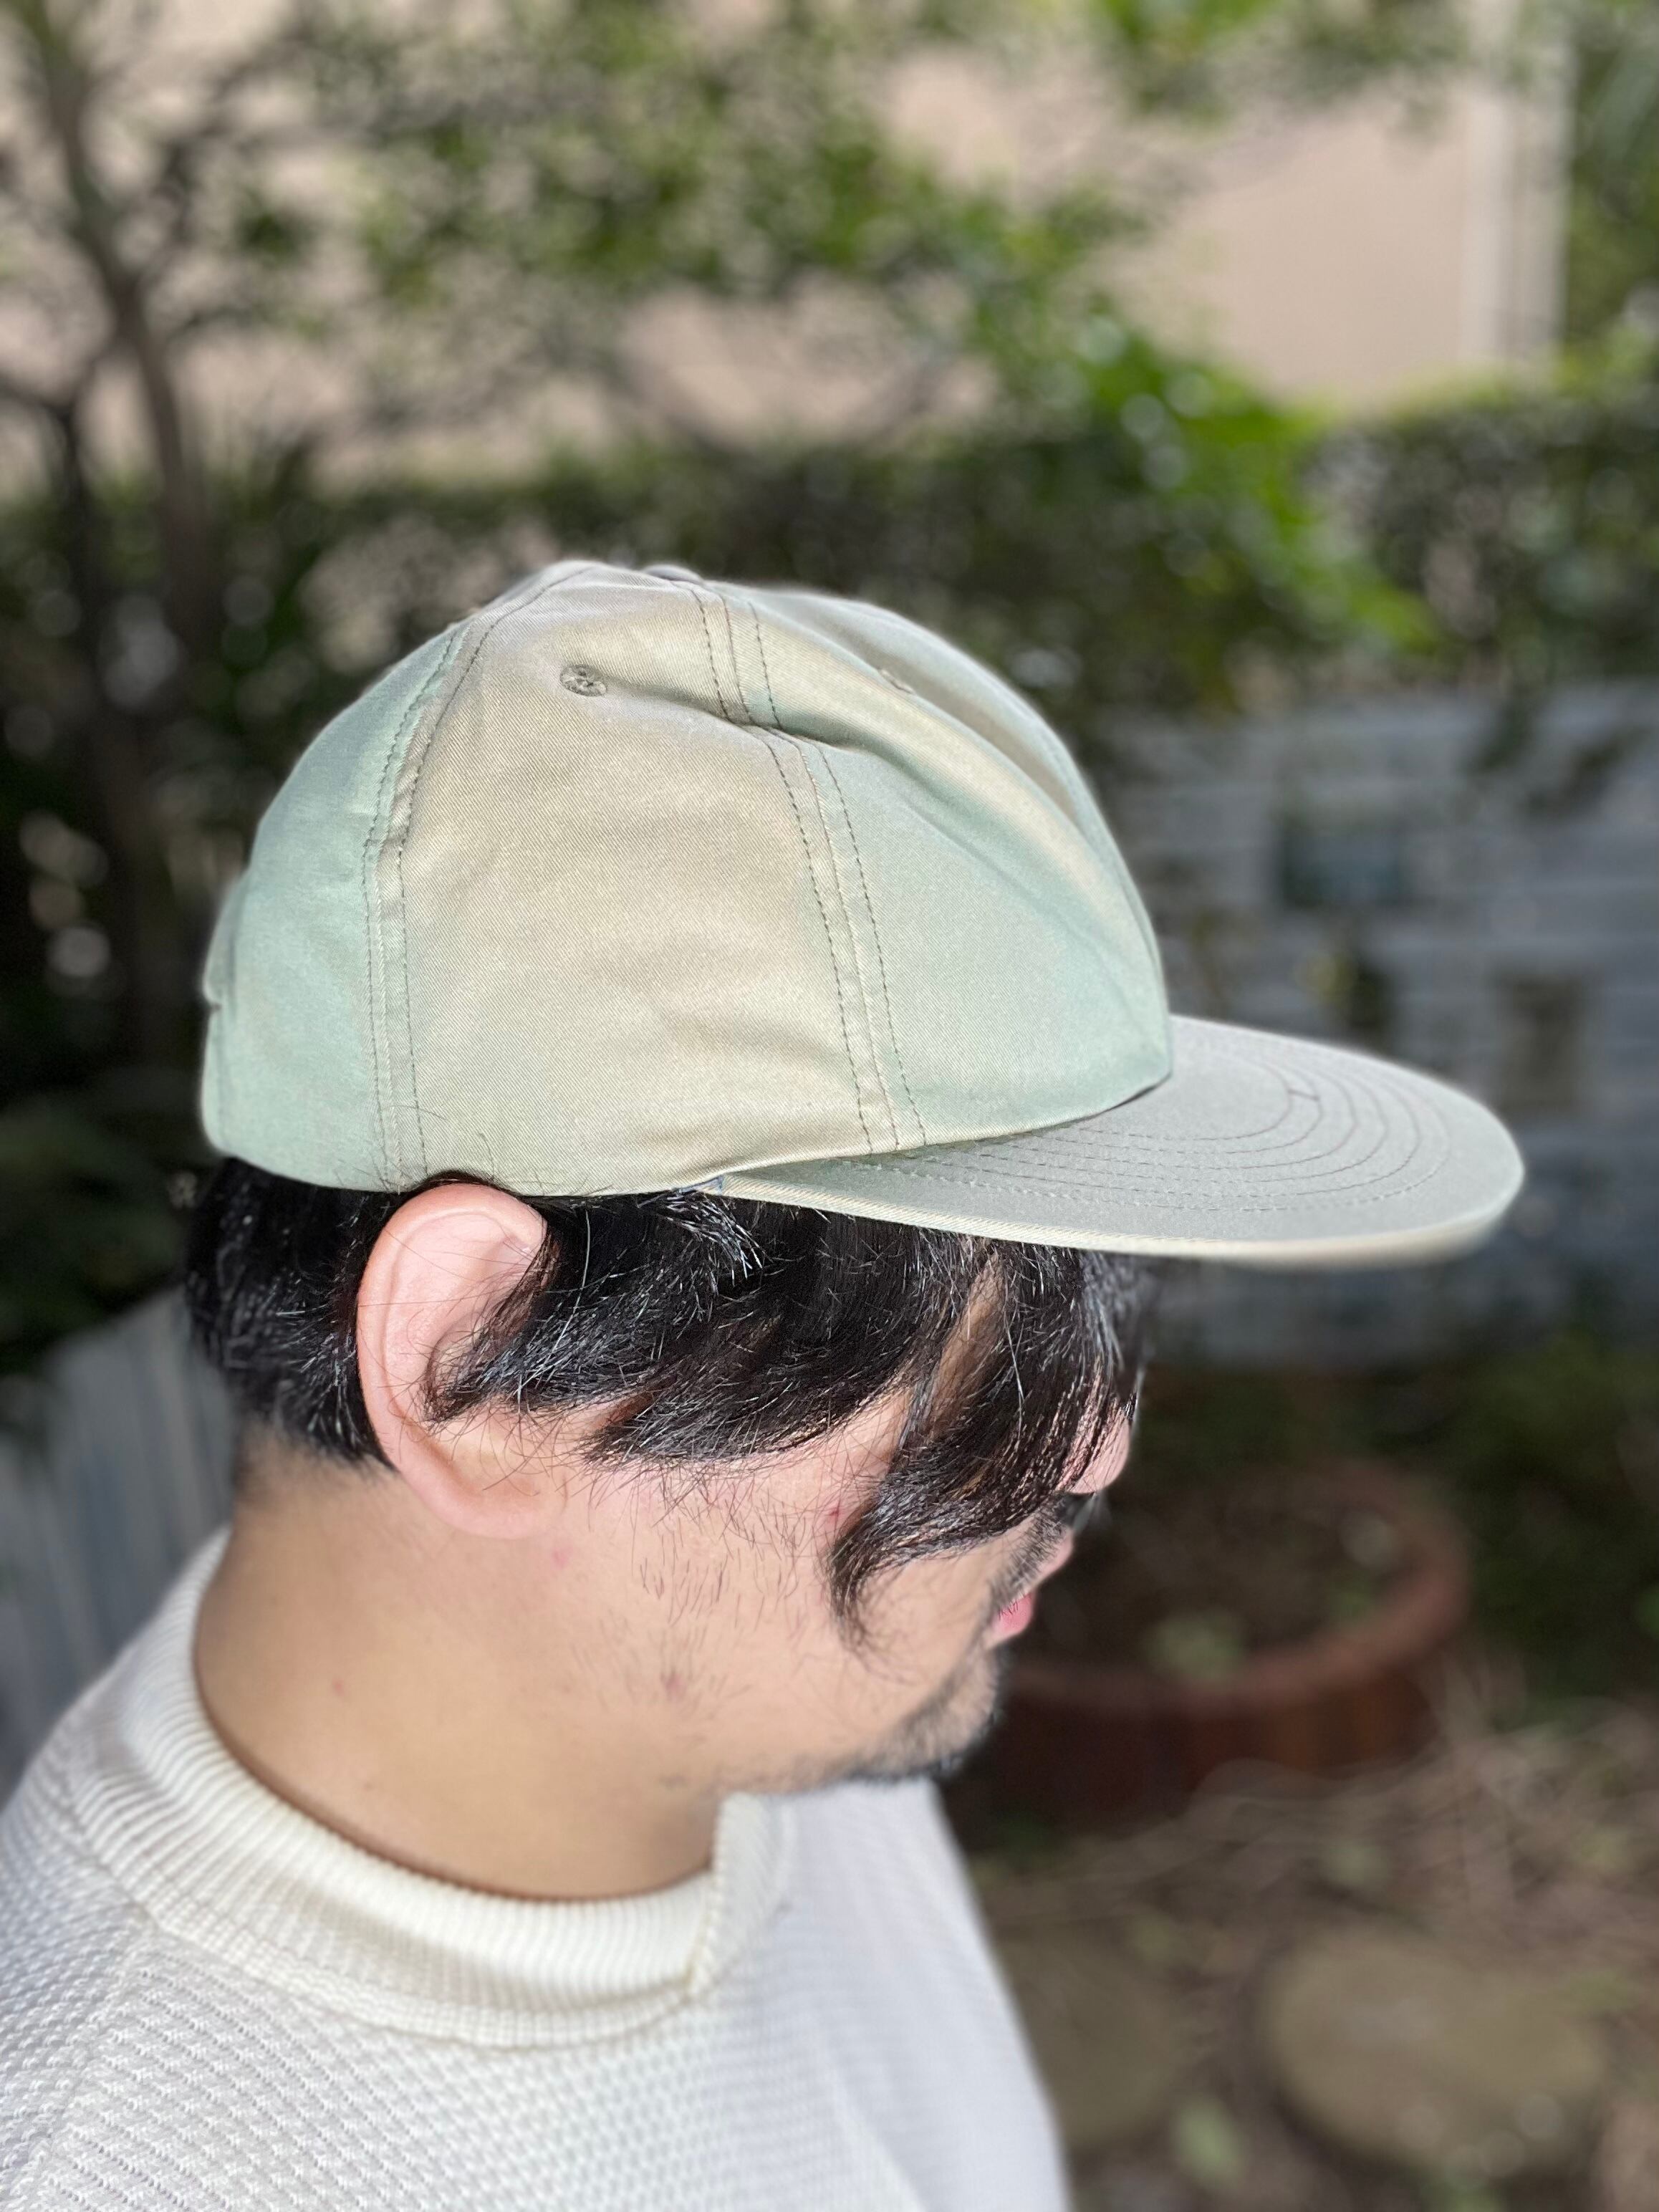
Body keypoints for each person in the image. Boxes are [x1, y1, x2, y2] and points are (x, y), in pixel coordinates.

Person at [0, 562, 1523, 2210]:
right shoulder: (124, 2159)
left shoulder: (731, 1679)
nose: (1097, 1444)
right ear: (472, 1357)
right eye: (992, 1358)